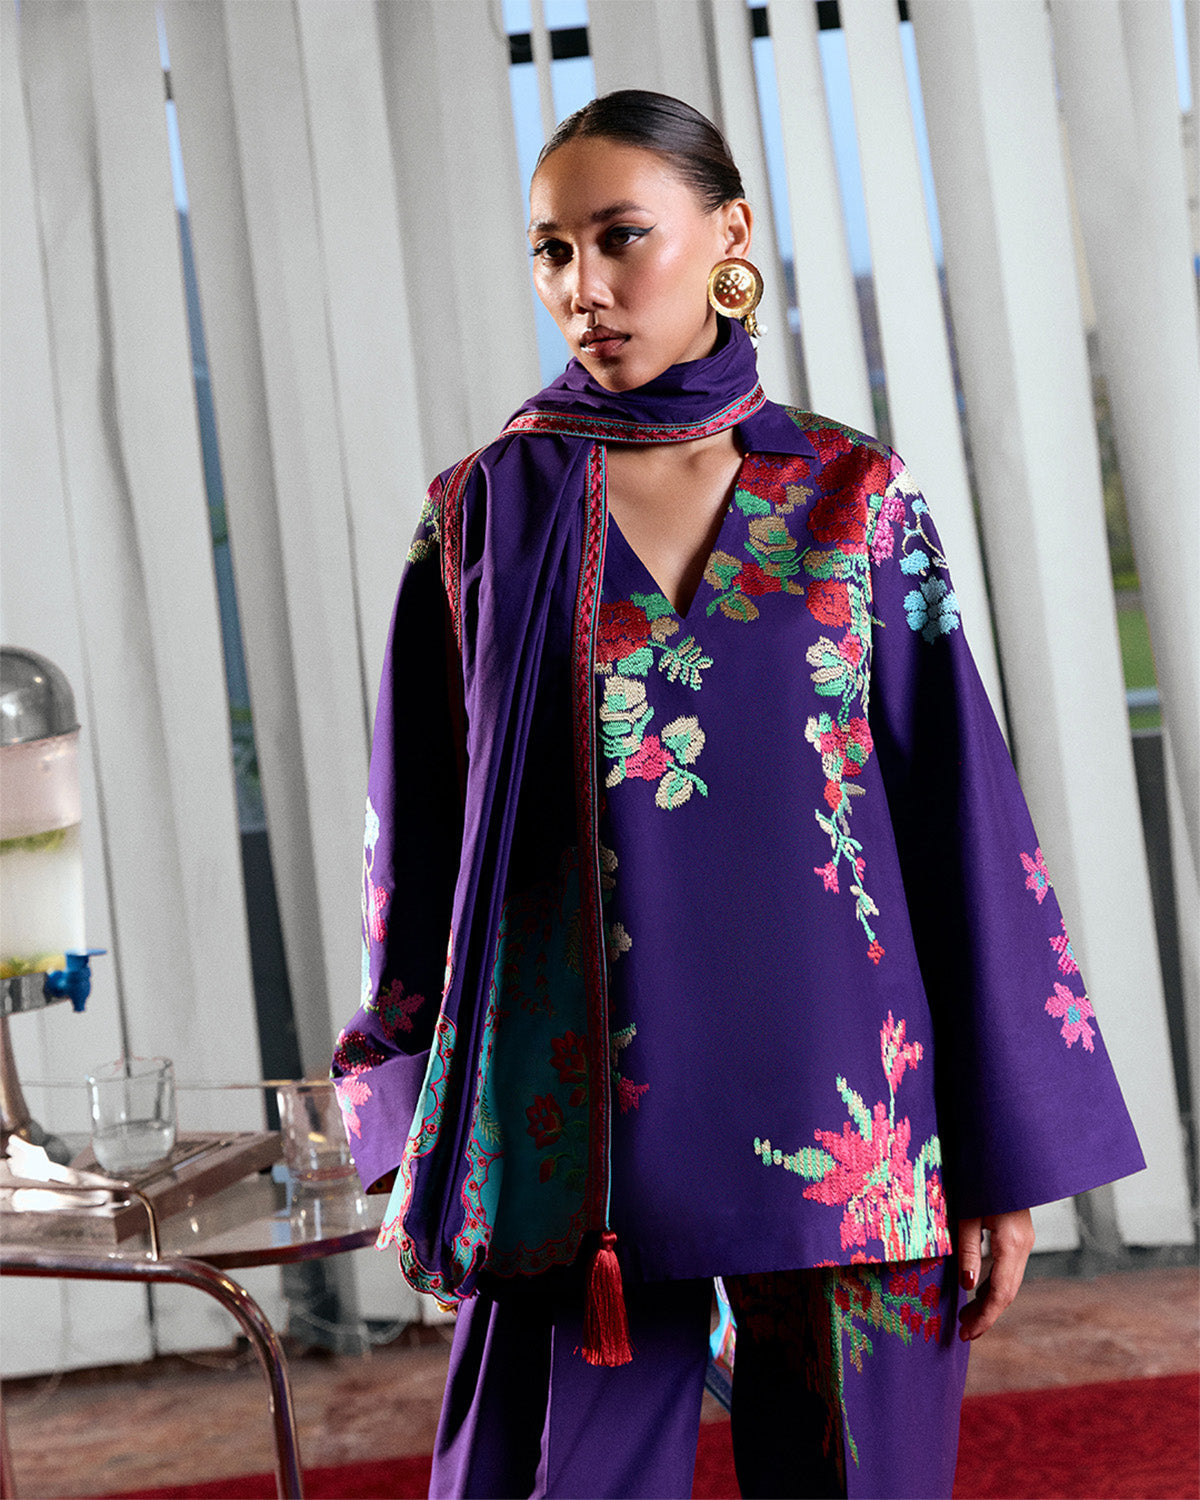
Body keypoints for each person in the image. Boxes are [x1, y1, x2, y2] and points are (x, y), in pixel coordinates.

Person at [332, 90, 1144, 1500]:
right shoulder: (483, 515)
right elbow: (420, 834)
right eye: (551, 251)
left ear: (728, 236)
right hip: (570, 1140)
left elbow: (965, 824)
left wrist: (998, 1151)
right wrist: (409, 1110)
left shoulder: (852, 497)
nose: (582, 288)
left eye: (620, 238)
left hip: (849, 1123)